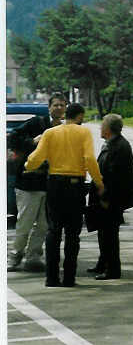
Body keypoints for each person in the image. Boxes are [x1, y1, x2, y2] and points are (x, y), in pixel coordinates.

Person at [25, 103, 103, 287]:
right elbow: (89, 159)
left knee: (53, 230)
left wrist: (28, 166)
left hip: (55, 184)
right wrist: (99, 182)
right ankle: (69, 277)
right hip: (75, 186)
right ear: (80, 116)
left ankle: (51, 277)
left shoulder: (50, 133)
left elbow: (36, 157)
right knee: (72, 233)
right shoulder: (83, 132)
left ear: (65, 115)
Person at [7, 93, 67, 272]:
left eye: (62, 105)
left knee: (43, 225)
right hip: (28, 183)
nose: (59, 108)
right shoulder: (36, 123)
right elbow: (12, 138)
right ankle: (14, 256)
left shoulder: (65, 129)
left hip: (51, 184)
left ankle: (33, 257)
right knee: (25, 223)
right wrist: (32, 141)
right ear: (49, 107)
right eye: (56, 105)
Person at [88, 113, 133, 280]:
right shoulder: (113, 143)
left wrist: (106, 198)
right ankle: (102, 263)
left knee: (109, 235)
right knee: (103, 232)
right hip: (107, 197)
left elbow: (115, 178)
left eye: (102, 125)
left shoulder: (119, 147)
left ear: (108, 129)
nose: (100, 128)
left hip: (111, 199)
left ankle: (112, 270)